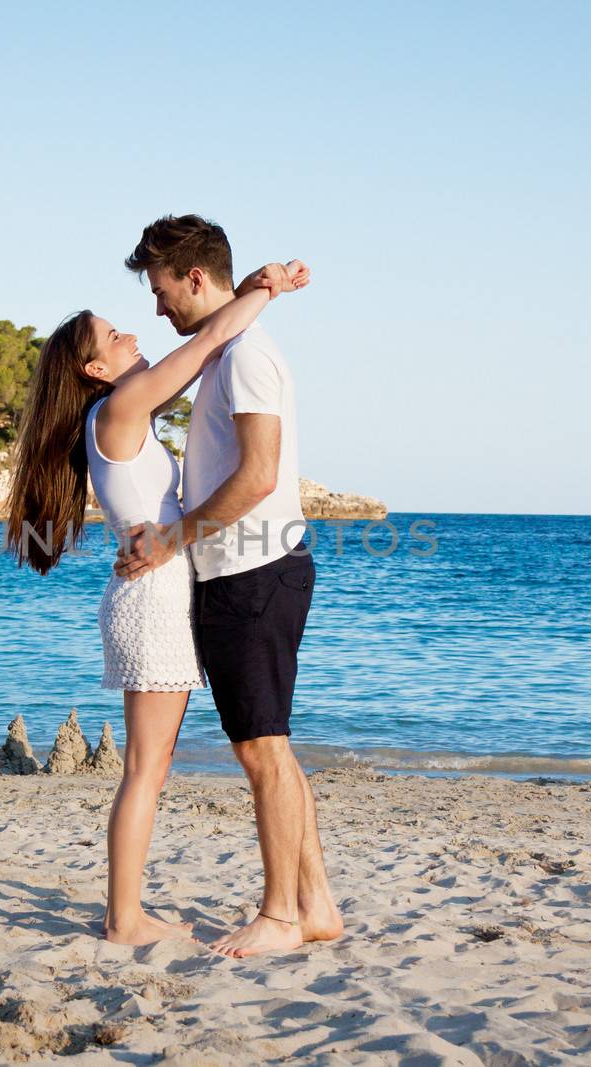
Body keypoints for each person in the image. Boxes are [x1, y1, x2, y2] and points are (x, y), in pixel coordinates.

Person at [4, 257, 307, 945]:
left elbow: (202, 357)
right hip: (153, 598)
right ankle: (125, 917)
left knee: (152, 764)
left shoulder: (121, 412)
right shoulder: (120, 409)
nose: (130, 336)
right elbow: (203, 348)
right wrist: (266, 288)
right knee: (145, 767)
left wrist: (254, 294)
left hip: (157, 591)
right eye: (113, 337)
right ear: (95, 370)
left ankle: (128, 911)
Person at [115, 214, 342, 959]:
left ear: (194, 278)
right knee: (269, 746)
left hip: (253, 574)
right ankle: (314, 904)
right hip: (241, 573)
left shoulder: (244, 356)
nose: (156, 307)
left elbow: (259, 473)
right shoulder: (226, 351)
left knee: (262, 752)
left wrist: (171, 540)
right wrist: (265, 285)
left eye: (160, 289)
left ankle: (280, 913)